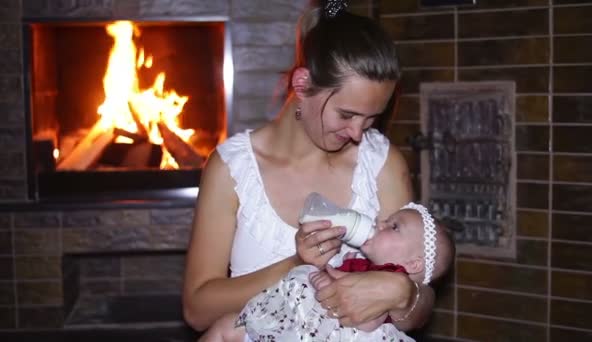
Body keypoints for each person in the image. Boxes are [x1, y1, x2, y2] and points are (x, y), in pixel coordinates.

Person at [182, 0, 442, 338]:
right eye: (347, 115)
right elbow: (197, 311)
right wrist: (296, 265)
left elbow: (419, 299)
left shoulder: (381, 164)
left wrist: (404, 294)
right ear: (302, 85)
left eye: (371, 118)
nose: (358, 132)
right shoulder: (232, 169)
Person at [201, 203, 455, 341]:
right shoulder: (358, 262)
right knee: (227, 326)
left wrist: (325, 282)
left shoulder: (392, 276)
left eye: (394, 227)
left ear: (414, 265)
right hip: (300, 327)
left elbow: (368, 320)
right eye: (387, 219)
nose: (380, 223)